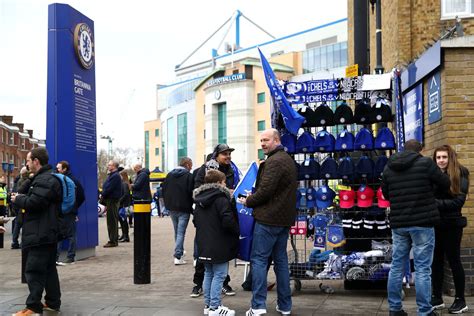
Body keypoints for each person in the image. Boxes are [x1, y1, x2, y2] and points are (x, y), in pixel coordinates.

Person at [382, 140, 451, 316]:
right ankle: (425, 311)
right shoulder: (426, 163)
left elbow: (386, 194)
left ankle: (395, 309)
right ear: (420, 150)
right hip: (423, 223)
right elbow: (445, 183)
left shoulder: (389, 166)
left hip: (399, 224)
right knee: (422, 269)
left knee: (397, 266)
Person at [240, 129, 297, 316]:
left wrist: (248, 201)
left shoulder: (274, 161)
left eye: (266, 140)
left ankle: (257, 306)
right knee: (281, 262)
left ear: (276, 140)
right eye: (261, 140)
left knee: (259, 260)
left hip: (268, 219)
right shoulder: (287, 159)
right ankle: (285, 306)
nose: (263, 143)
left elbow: (265, 192)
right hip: (283, 220)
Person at [11, 147, 62, 315]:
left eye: (28, 160)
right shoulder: (42, 178)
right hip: (46, 232)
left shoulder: (45, 180)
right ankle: (53, 302)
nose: (26, 163)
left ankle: (33, 307)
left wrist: (19, 199)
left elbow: (35, 202)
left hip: (40, 232)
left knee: (33, 269)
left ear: (36, 161)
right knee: (48, 269)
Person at [191, 147, 238, 297]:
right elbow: (198, 189)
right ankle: (198, 285)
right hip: (208, 215)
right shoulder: (204, 169)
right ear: (216, 155)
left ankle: (223, 285)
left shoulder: (231, 169)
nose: (228, 156)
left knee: (221, 255)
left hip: (221, 215)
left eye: (229, 154)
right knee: (202, 254)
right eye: (225, 154)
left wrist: (229, 192)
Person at [431, 145, 470, 314]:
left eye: (444, 157)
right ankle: (437, 298)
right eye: (438, 157)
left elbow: (458, 202)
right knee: (436, 261)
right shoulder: (433, 174)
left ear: (450, 158)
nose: (441, 160)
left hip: (452, 224)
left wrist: (433, 204)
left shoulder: (460, 173)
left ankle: (461, 300)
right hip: (435, 223)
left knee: (454, 261)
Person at [162, 157, 194, 265]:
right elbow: (191, 192)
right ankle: (178, 255)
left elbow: (164, 190)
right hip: (184, 207)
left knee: (177, 231)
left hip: (172, 207)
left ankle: (179, 250)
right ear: (187, 165)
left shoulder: (169, 175)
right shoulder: (189, 176)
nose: (192, 167)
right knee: (181, 232)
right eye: (191, 164)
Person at [56, 161, 85, 265]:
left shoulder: (68, 180)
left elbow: (81, 196)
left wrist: (73, 206)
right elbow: (81, 196)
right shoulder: (73, 180)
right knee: (69, 234)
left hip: (65, 211)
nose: (57, 170)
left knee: (66, 234)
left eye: (58, 168)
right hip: (69, 211)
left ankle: (62, 257)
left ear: (64, 169)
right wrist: (74, 207)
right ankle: (69, 257)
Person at [101, 160, 123, 248]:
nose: (108, 166)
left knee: (112, 221)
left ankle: (113, 241)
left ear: (114, 166)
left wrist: (102, 194)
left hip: (112, 200)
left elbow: (109, 188)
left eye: (109, 165)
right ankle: (113, 239)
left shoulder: (115, 176)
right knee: (111, 220)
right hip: (111, 199)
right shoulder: (113, 175)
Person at [11, 166, 29, 249]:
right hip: (23, 205)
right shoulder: (26, 181)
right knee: (25, 224)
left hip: (17, 205)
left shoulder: (18, 181)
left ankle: (14, 242)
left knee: (17, 225)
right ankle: (22, 243)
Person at [118, 170, 132, 243]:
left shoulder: (124, 184)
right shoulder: (125, 183)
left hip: (123, 205)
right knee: (123, 221)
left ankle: (126, 236)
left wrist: (119, 201)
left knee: (123, 221)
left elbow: (125, 194)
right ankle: (124, 235)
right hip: (124, 204)